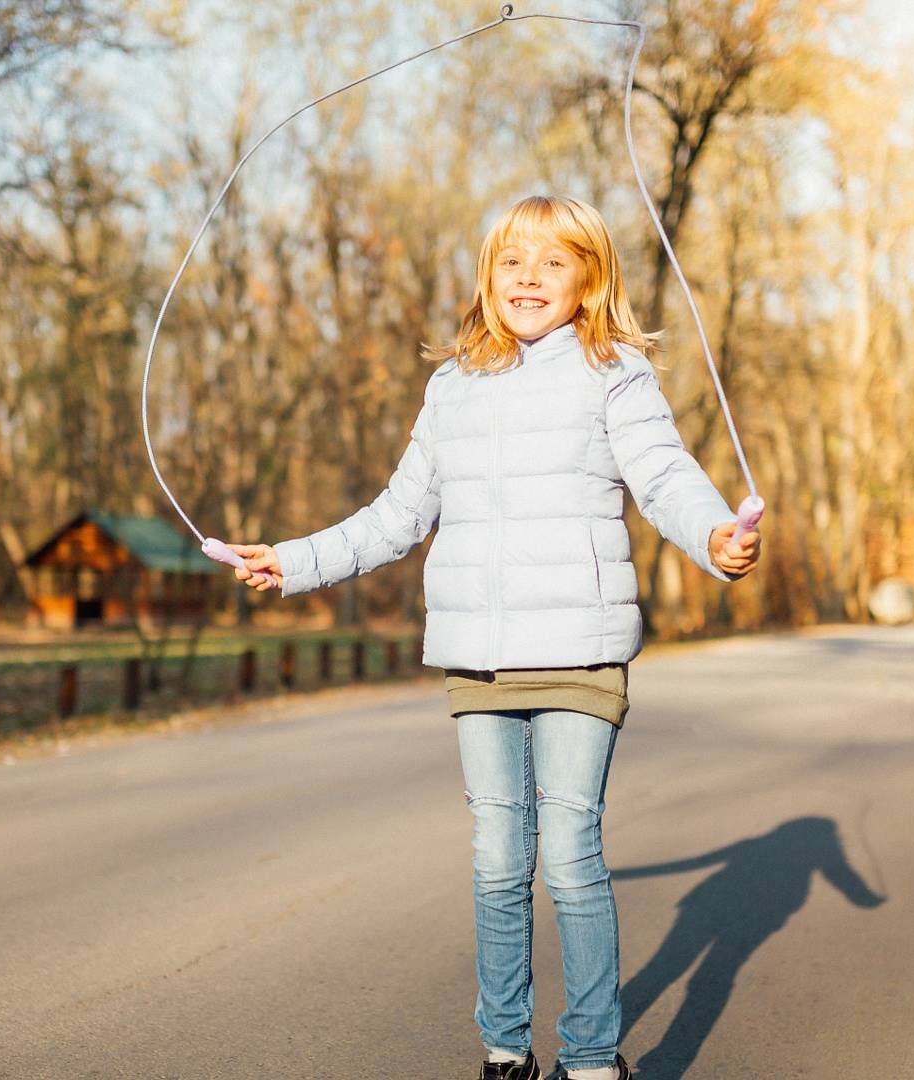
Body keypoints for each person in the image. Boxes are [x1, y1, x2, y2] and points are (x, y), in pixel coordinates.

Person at [225, 193, 761, 1080]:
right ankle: (505, 1050)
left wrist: (714, 539)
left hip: (581, 653)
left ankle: (590, 1057)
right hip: (479, 659)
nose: (529, 277)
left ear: (589, 280)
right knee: (496, 858)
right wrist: (290, 561)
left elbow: (664, 476)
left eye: (553, 262)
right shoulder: (453, 386)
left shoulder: (613, 371)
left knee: (572, 858)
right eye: (513, 260)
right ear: (488, 275)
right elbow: (396, 516)